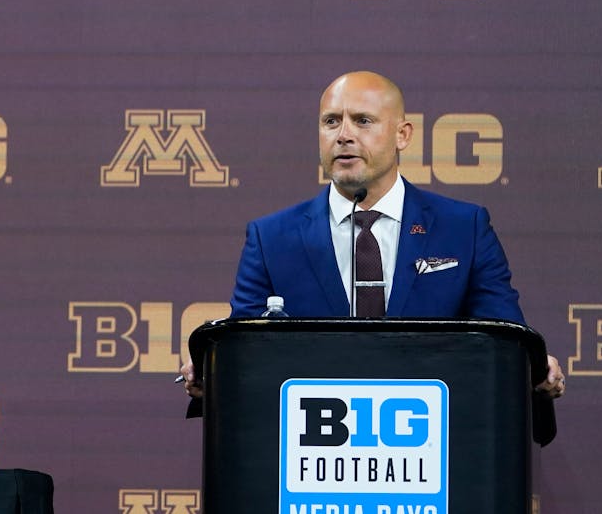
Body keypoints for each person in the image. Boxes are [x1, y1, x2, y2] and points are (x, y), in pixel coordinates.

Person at [180, 71, 565, 400]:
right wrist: (215, 371)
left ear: (403, 134)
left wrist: (531, 368)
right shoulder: (271, 237)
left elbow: (505, 338)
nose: (344, 135)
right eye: (331, 122)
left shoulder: (464, 227)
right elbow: (245, 351)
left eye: (363, 121)